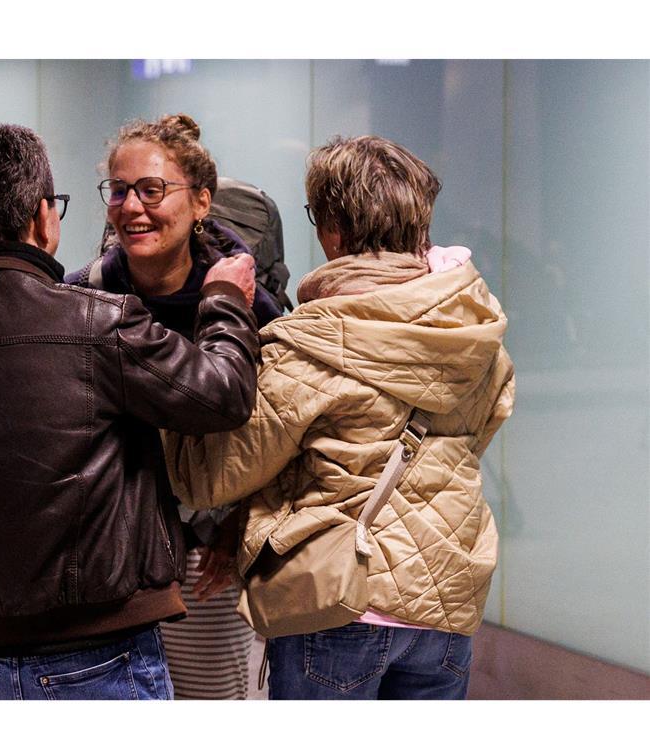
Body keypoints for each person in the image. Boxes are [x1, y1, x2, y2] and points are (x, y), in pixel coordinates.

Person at [0, 123, 260, 700]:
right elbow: (223, 394)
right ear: (45, 219)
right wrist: (222, 301)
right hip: (100, 654)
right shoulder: (102, 323)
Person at [164, 135, 515, 699]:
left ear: (334, 226)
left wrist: (203, 333)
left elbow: (207, 479)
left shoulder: (313, 343)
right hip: (447, 604)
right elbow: (485, 426)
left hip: (339, 601)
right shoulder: (476, 329)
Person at [66, 114, 280, 700]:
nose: (133, 207)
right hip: (104, 557)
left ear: (201, 202)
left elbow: (282, 432)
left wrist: (240, 524)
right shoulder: (79, 295)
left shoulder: (247, 306)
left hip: (206, 553)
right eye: (119, 190)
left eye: (153, 190)